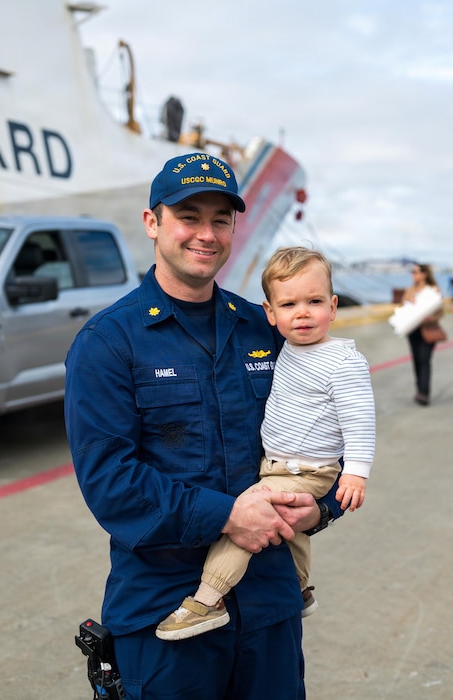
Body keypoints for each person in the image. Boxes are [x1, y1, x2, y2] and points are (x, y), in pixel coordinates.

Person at [64, 154, 344, 700]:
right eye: (188, 216)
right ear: (153, 223)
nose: (206, 233)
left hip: (269, 601)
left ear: (235, 228)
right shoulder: (109, 342)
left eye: (220, 219)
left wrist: (323, 506)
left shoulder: (263, 330)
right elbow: (109, 482)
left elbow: (323, 431)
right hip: (165, 610)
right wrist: (228, 515)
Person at [156, 246, 376, 641]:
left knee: (245, 521)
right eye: (289, 304)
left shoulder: (343, 362)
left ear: (334, 305)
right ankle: (301, 589)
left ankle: (207, 600)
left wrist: (356, 474)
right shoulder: (290, 347)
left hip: (306, 469)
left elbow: (360, 421)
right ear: (271, 314)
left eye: (314, 301)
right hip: (279, 463)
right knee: (293, 529)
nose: (303, 313)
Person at [402, 263, 443, 406]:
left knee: (424, 359)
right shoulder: (410, 290)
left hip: (428, 329)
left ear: (424, 274)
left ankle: (424, 393)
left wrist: (430, 318)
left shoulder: (433, 290)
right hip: (413, 330)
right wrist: (410, 303)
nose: (413, 275)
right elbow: (402, 308)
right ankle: (419, 390)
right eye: (412, 272)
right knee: (417, 361)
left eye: (416, 272)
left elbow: (440, 312)